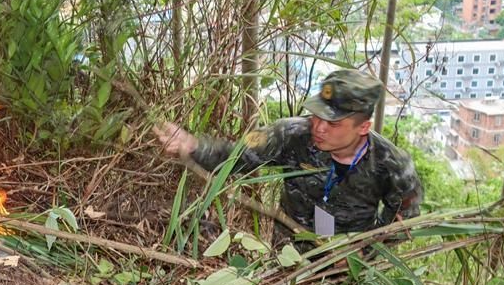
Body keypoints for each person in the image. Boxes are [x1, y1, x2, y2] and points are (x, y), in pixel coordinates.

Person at [154, 69, 422, 237]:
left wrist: (360, 250)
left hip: (350, 271)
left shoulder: (391, 164)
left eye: (333, 123)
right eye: (317, 116)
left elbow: (403, 222)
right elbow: (236, 156)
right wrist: (193, 147)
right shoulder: (290, 134)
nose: (319, 128)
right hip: (289, 257)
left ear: (363, 126)